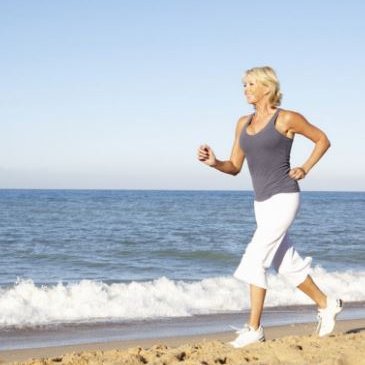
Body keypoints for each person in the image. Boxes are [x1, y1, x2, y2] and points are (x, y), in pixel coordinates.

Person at [197, 66, 343, 348]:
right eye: (244, 85)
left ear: (267, 87)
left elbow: (322, 140)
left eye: (251, 84)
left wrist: (305, 168)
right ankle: (327, 304)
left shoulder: (286, 118)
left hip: (284, 197)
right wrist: (214, 162)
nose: (246, 89)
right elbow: (235, 166)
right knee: (285, 264)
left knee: (254, 258)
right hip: (261, 203)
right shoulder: (243, 123)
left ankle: (254, 328)